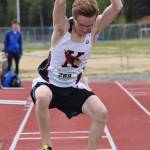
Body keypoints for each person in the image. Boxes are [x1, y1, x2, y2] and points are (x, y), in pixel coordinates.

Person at [31, 0, 123, 150]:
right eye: (82, 25)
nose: (86, 29)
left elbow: (117, 7)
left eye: (90, 25)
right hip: (49, 83)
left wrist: (93, 26)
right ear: (74, 19)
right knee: (42, 98)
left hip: (72, 88)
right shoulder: (62, 28)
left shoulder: (94, 29)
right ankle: (46, 146)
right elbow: (60, 3)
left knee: (101, 113)